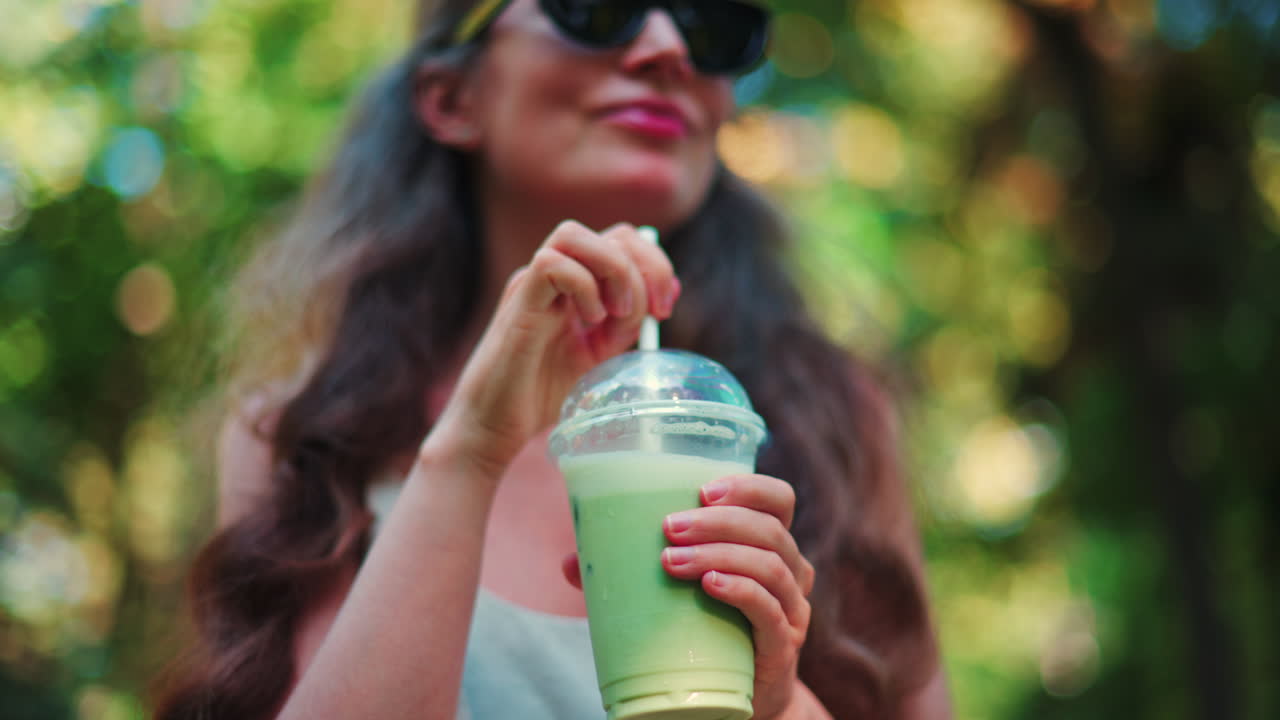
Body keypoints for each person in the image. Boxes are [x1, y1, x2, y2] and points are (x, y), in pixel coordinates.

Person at [155, 0, 950, 717]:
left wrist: (776, 705)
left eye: (715, 23)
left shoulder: (832, 418)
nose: (668, 45)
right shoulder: (306, 434)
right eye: (596, 9)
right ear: (451, 99)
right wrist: (468, 455)